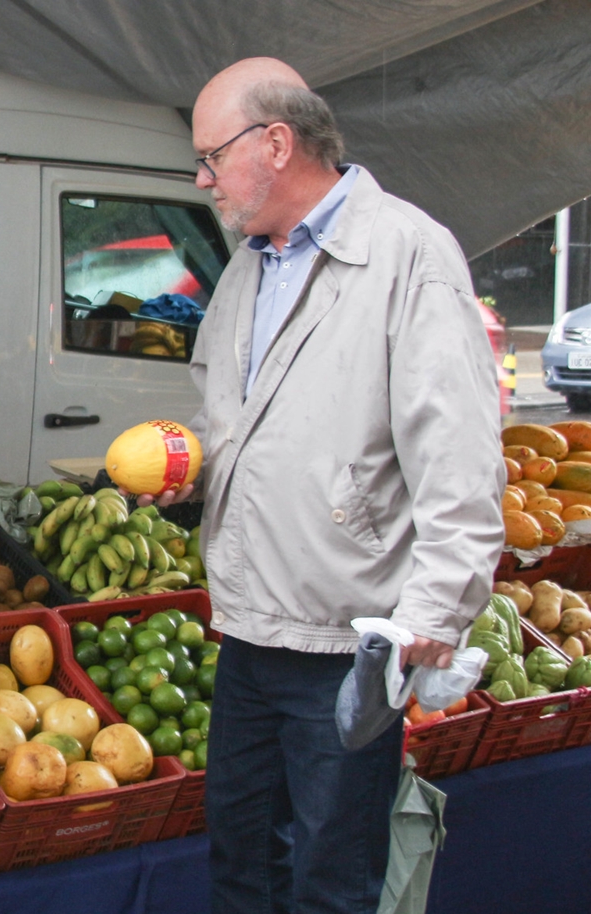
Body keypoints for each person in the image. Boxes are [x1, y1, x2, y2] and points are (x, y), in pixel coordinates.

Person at [170, 59, 504, 913]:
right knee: (242, 865)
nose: (203, 179)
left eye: (213, 156)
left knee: (330, 882)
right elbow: (238, 427)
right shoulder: (249, 265)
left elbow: (460, 466)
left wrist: (427, 622)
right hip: (248, 633)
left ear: (277, 143)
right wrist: (184, 480)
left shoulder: (407, 254)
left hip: (345, 646)